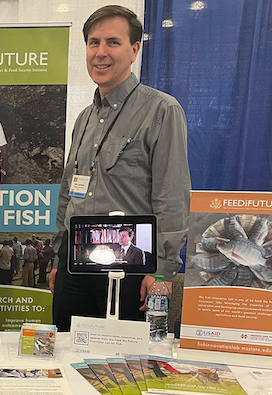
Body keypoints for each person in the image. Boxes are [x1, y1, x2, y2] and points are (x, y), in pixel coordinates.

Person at [50, 5, 190, 330]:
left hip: (132, 267)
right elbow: (69, 190)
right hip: (76, 264)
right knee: (67, 360)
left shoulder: (161, 111)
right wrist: (59, 257)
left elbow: (172, 198)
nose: (100, 53)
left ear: (134, 50)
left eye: (112, 42)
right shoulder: (84, 118)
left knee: (126, 370)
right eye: (93, 43)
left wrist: (162, 271)